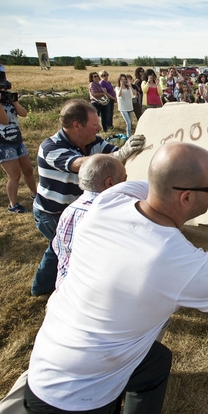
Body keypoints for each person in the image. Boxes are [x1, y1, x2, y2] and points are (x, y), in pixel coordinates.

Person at [24, 138, 208, 413]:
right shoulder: (176, 259)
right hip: (79, 399)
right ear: (187, 197)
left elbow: (164, 181)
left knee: (156, 362)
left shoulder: (112, 198)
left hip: (46, 359)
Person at [31, 99, 146, 297]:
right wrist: (121, 153)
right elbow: (85, 165)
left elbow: (114, 154)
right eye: (94, 124)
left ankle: (44, 287)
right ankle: (45, 289)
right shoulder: (50, 147)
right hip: (52, 213)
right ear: (77, 125)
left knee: (61, 248)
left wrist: (130, 150)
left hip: (79, 209)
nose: (99, 127)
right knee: (63, 249)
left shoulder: (92, 142)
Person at [53, 154, 127, 290]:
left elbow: (59, 250)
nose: (127, 183)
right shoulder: (111, 216)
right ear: (110, 183)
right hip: (94, 297)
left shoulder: (69, 211)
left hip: (66, 290)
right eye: (125, 179)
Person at [0, 63, 37, 213]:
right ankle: (13, 205)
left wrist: (13, 99)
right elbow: (4, 121)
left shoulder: (7, 98)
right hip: (0, 143)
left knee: (28, 170)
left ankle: (35, 194)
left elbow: (23, 113)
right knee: (14, 175)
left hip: (16, 140)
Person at [115, 73, 136, 138]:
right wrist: (121, 86)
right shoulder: (117, 88)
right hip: (123, 107)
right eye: (122, 79)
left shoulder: (128, 88)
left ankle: (129, 134)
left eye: (124, 79)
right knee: (128, 122)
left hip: (129, 107)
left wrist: (130, 86)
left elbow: (134, 95)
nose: (123, 81)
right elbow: (119, 95)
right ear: (119, 80)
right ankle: (128, 136)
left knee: (130, 123)